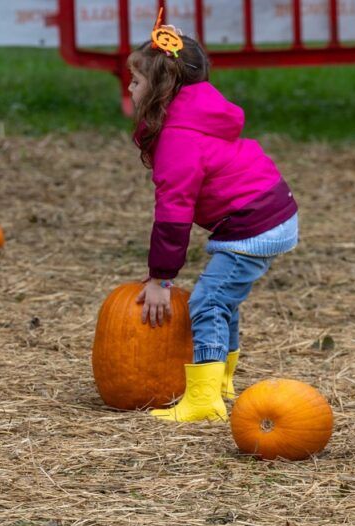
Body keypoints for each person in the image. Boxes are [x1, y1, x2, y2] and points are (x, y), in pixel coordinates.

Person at [128, 21, 298, 422]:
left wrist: (159, 279)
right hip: (265, 212)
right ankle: (221, 383)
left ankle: (204, 401)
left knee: (208, 301)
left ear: (162, 88)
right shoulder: (196, 115)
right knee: (224, 300)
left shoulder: (180, 138)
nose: (130, 89)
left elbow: (173, 213)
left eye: (135, 81)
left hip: (254, 221)